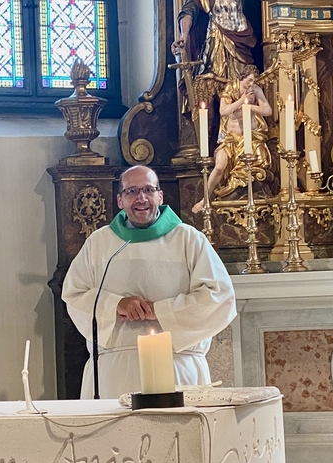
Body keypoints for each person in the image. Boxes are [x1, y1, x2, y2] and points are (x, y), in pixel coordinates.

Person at [62, 166, 237, 399]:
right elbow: (74, 294)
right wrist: (116, 305)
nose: (141, 198)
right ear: (120, 200)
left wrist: (160, 310)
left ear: (160, 196)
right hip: (114, 372)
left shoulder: (189, 239)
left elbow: (220, 296)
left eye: (148, 190)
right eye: (132, 191)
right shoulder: (100, 242)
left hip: (177, 367)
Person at [193, 65, 273, 213]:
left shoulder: (255, 90)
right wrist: (242, 101)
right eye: (249, 80)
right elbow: (223, 111)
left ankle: (250, 198)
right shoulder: (230, 89)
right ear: (242, 77)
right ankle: (206, 198)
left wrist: (250, 107)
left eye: (253, 81)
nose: (251, 84)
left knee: (257, 165)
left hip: (250, 138)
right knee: (219, 166)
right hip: (230, 138)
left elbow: (268, 111)